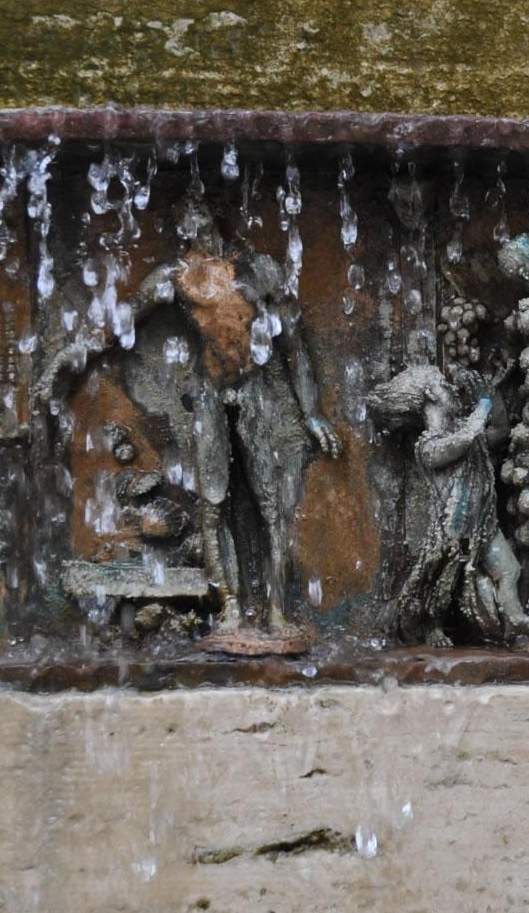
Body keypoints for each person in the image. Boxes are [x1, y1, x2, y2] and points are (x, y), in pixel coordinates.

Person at [39, 187, 340, 647]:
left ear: (216, 217)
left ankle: (278, 611)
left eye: (198, 213)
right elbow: (121, 323)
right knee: (213, 505)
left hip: (258, 389)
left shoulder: (259, 271)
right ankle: (231, 610)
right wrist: (68, 358)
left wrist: (313, 412)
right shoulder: (175, 278)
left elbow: (294, 343)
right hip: (209, 393)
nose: (191, 225)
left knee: (271, 505)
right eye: (184, 218)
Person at [366, 365, 529, 646]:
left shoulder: (467, 431)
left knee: (509, 570)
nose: (452, 388)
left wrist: (494, 398)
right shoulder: (429, 447)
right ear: (431, 395)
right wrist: (483, 405)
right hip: (452, 531)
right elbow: (464, 440)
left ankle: (514, 617)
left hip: (483, 524)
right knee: (440, 582)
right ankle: (430, 627)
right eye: (443, 384)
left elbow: (500, 431)